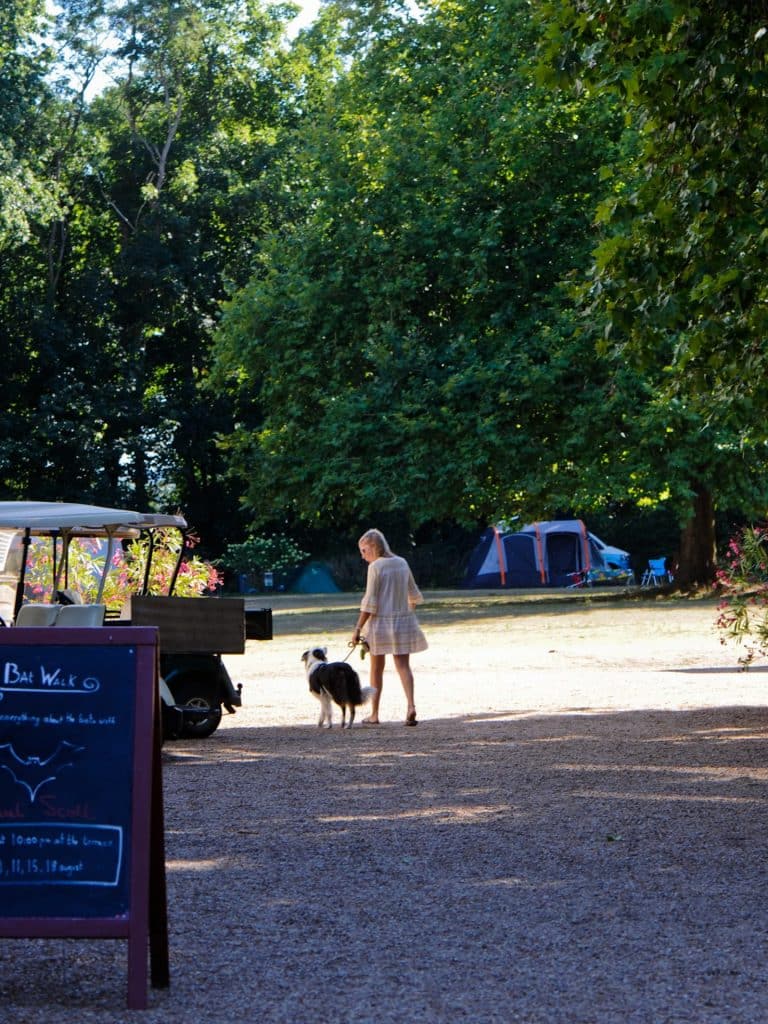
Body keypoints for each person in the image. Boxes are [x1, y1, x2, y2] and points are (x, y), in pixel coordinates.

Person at [350, 528, 428, 726]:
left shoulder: (376, 567)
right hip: (403, 621)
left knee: (376, 668)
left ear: (374, 547)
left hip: (379, 624)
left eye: (364, 550)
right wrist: (404, 612)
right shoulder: (401, 562)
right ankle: (411, 706)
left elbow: (370, 602)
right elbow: (413, 594)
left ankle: (374, 714)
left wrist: (358, 628)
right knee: (403, 666)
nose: (362, 555)